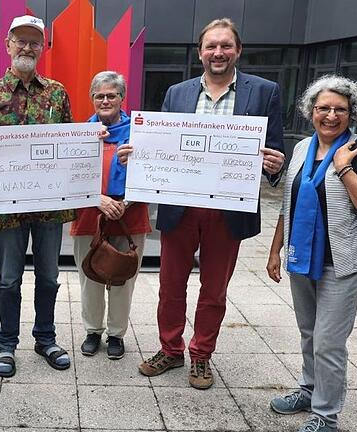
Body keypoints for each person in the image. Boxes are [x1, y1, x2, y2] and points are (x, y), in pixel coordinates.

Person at [119, 18, 286, 389]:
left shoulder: (264, 91)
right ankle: (170, 349)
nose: (218, 53)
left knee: (214, 289)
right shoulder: (177, 93)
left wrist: (275, 166)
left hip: (229, 209)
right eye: (211, 46)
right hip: (180, 207)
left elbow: (276, 152)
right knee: (170, 285)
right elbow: (161, 144)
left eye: (226, 46)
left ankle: (201, 355)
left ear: (237, 51)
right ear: (200, 53)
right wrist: (139, 156)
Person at [265, 75, 357, 432]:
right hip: (301, 257)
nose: (331, 116)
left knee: (329, 342)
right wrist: (276, 251)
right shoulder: (303, 147)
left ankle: (326, 415)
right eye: (324, 108)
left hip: (342, 261)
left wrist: (344, 168)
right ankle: (308, 389)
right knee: (308, 332)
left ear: (353, 114)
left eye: (341, 109)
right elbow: (288, 204)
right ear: (311, 111)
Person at [0, 15, 74, 378]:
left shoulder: (58, 93)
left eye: (35, 42)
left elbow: (69, 145)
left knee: (49, 277)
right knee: (8, 279)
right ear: (8, 45)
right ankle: (7, 343)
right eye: (21, 41)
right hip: (9, 205)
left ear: (43, 48)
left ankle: (45, 338)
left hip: (49, 206)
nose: (27, 47)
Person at [72, 71, 150, 360]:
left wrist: (125, 203)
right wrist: (99, 199)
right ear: (92, 99)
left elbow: (154, 176)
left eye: (111, 95)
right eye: (99, 95)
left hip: (129, 218)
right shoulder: (80, 135)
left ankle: (116, 334)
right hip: (90, 219)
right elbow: (70, 178)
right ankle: (92, 331)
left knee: (123, 279)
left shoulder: (141, 134)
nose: (105, 100)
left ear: (121, 98)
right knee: (90, 276)